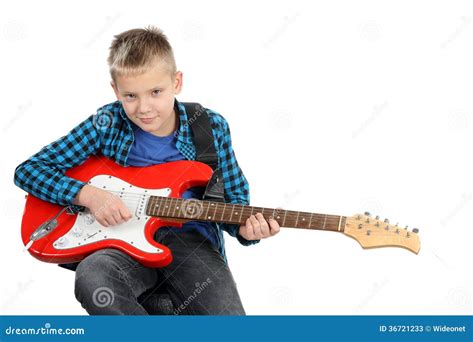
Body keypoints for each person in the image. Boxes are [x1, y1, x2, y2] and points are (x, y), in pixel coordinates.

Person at [14, 26, 280, 315]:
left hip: (190, 242)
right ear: (115, 90)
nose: (144, 108)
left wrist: (247, 229)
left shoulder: (209, 125)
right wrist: (88, 195)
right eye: (130, 96)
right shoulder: (107, 122)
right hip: (121, 239)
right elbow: (29, 170)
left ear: (177, 82)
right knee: (93, 275)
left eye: (156, 92)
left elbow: (234, 201)